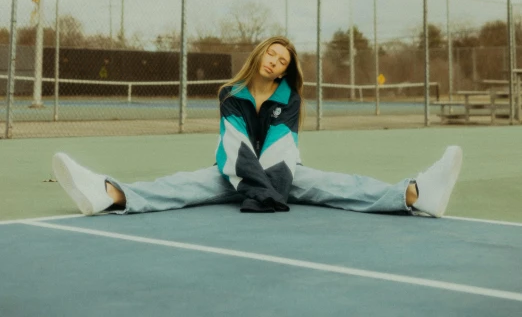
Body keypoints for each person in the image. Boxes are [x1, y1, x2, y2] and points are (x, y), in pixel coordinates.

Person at [52, 36, 462, 218]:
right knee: (178, 185)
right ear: (260, 54)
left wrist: (267, 189)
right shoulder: (230, 93)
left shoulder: (290, 99)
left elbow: (282, 149)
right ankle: (108, 194)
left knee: (341, 185)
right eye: (272, 54)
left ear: (287, 70)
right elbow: (234, 146)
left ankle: (417, 194)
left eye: (283, 60)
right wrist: (248, 186)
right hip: (234, 173)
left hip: (281, 175)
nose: (275, 62)